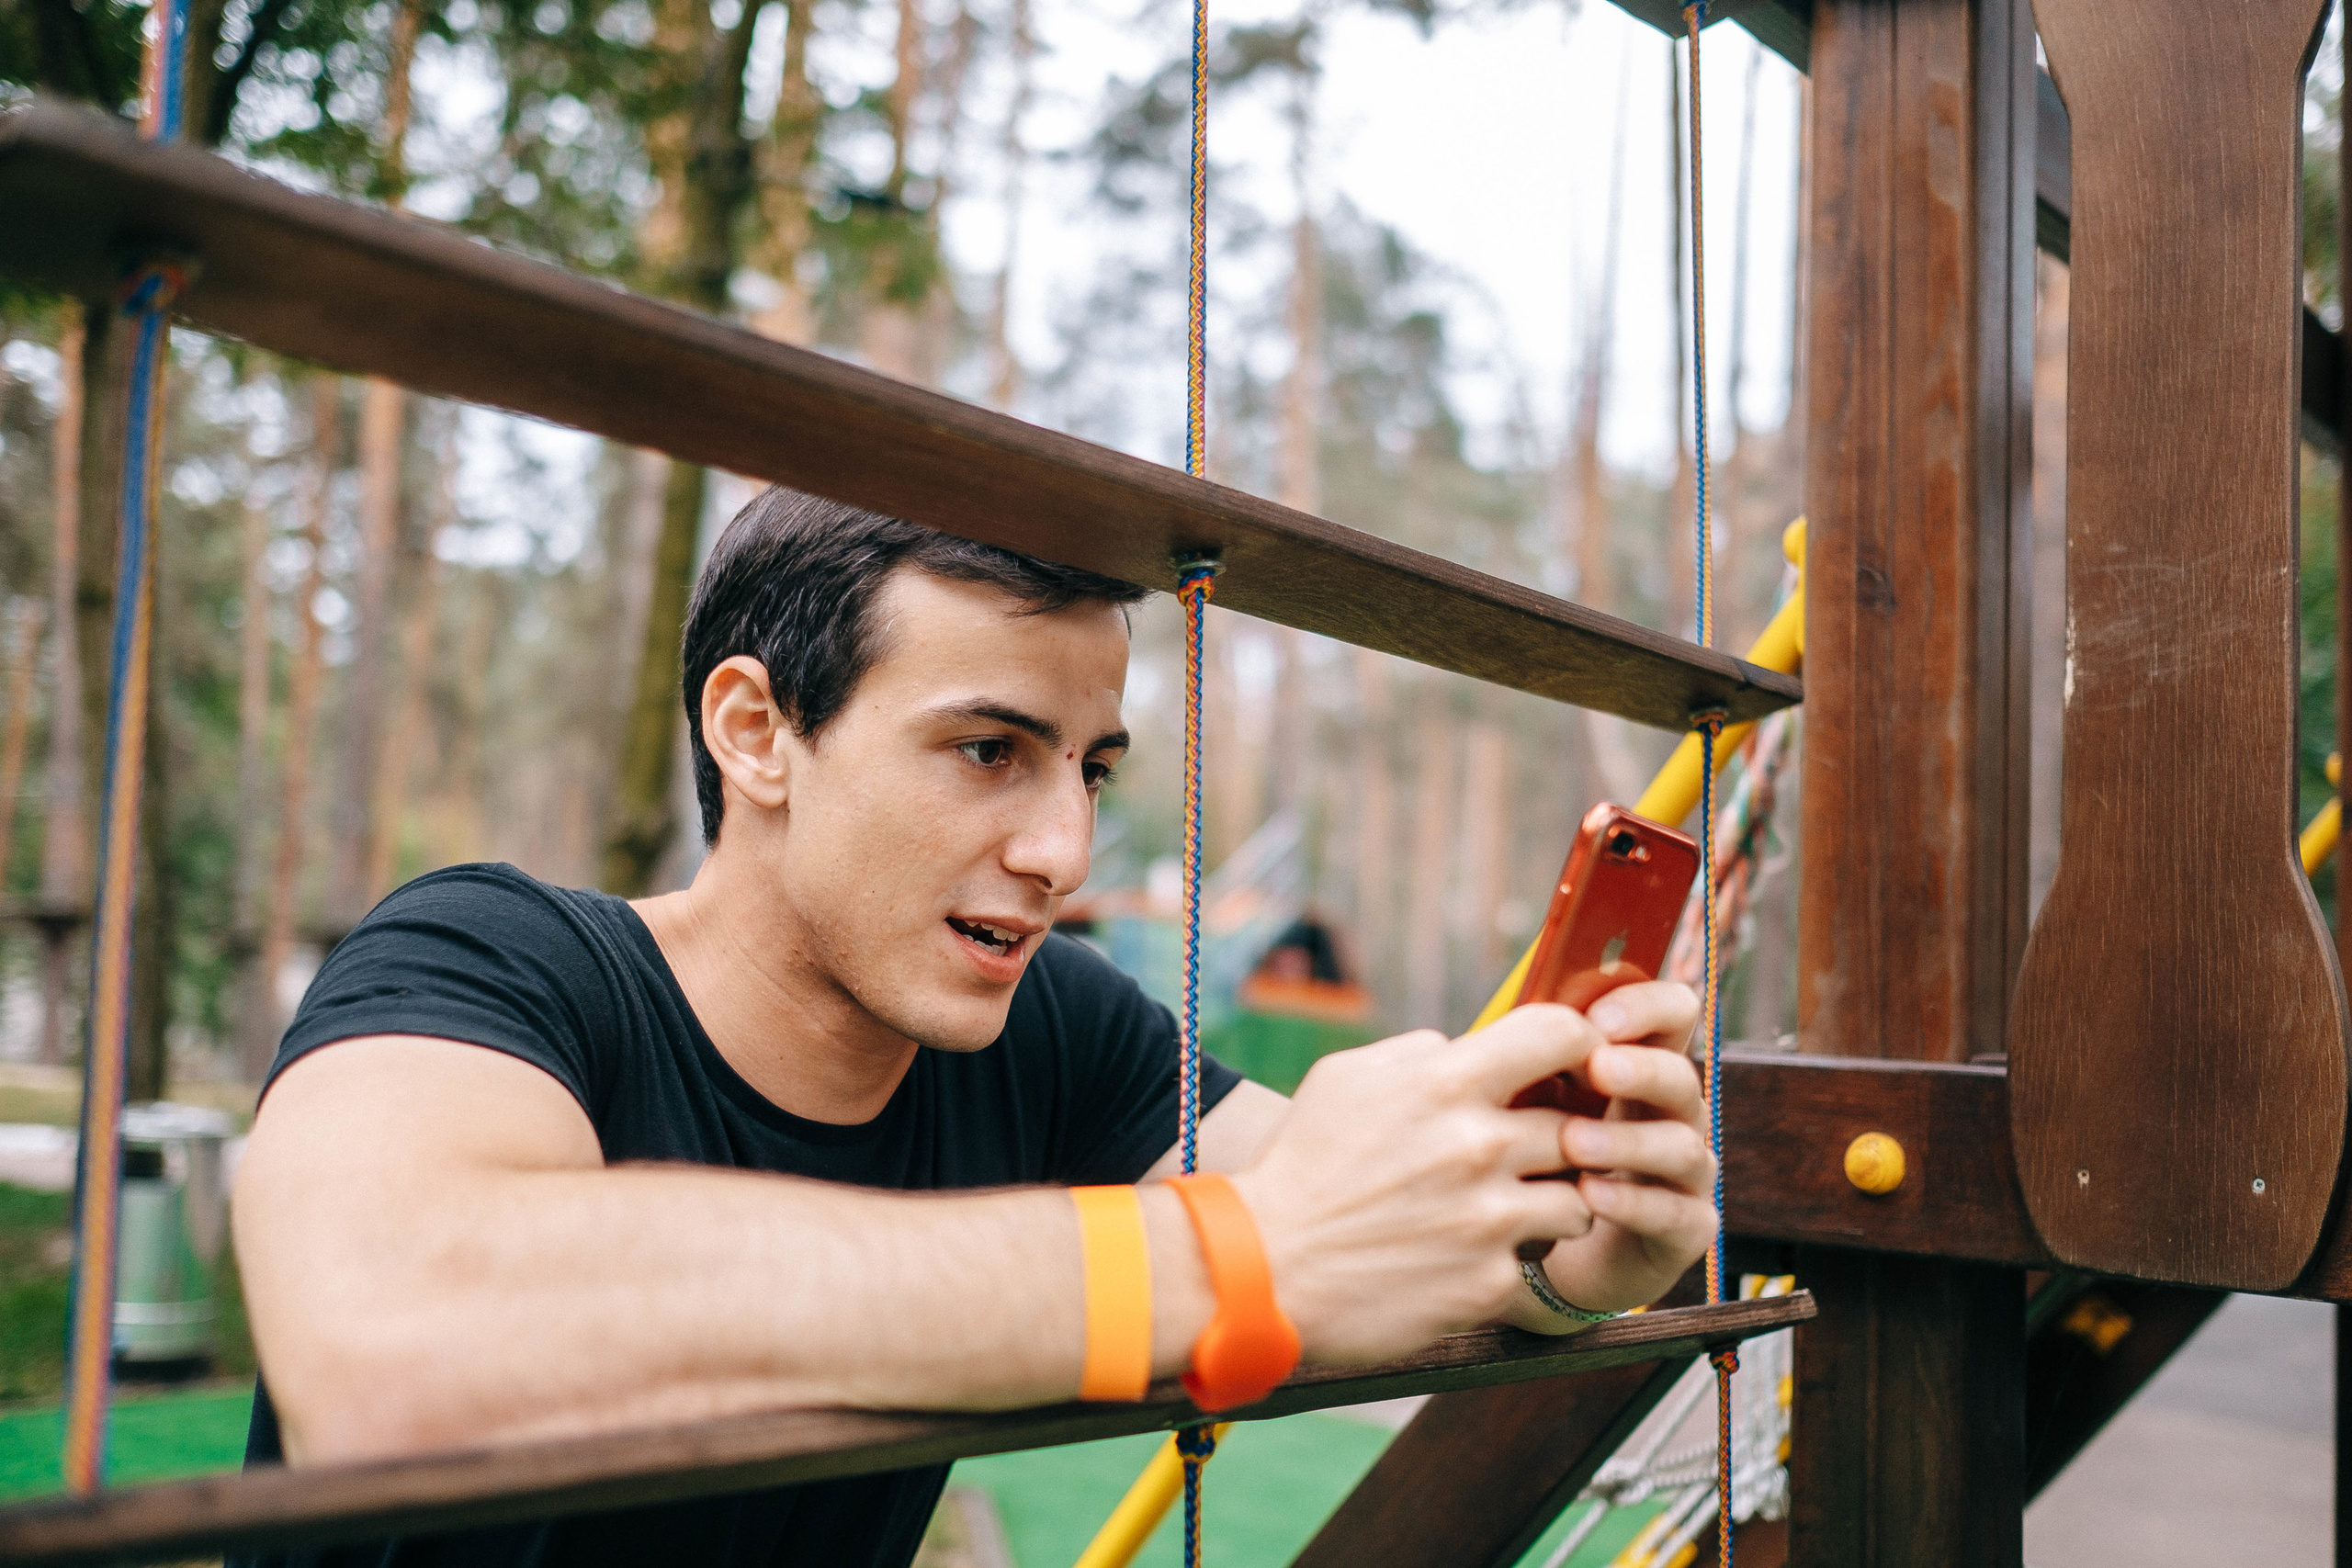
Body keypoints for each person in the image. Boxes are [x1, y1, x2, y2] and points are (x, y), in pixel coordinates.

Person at [229, 487, 1719, 1568]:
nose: (1064, 850)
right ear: (756, 731)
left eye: (1093, 770)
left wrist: (1576, 1253)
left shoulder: (1047, 1022)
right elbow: (388, 1338)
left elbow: (1385, 1252)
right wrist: (1235, 1262)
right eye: (989, 751)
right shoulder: (494, 958)